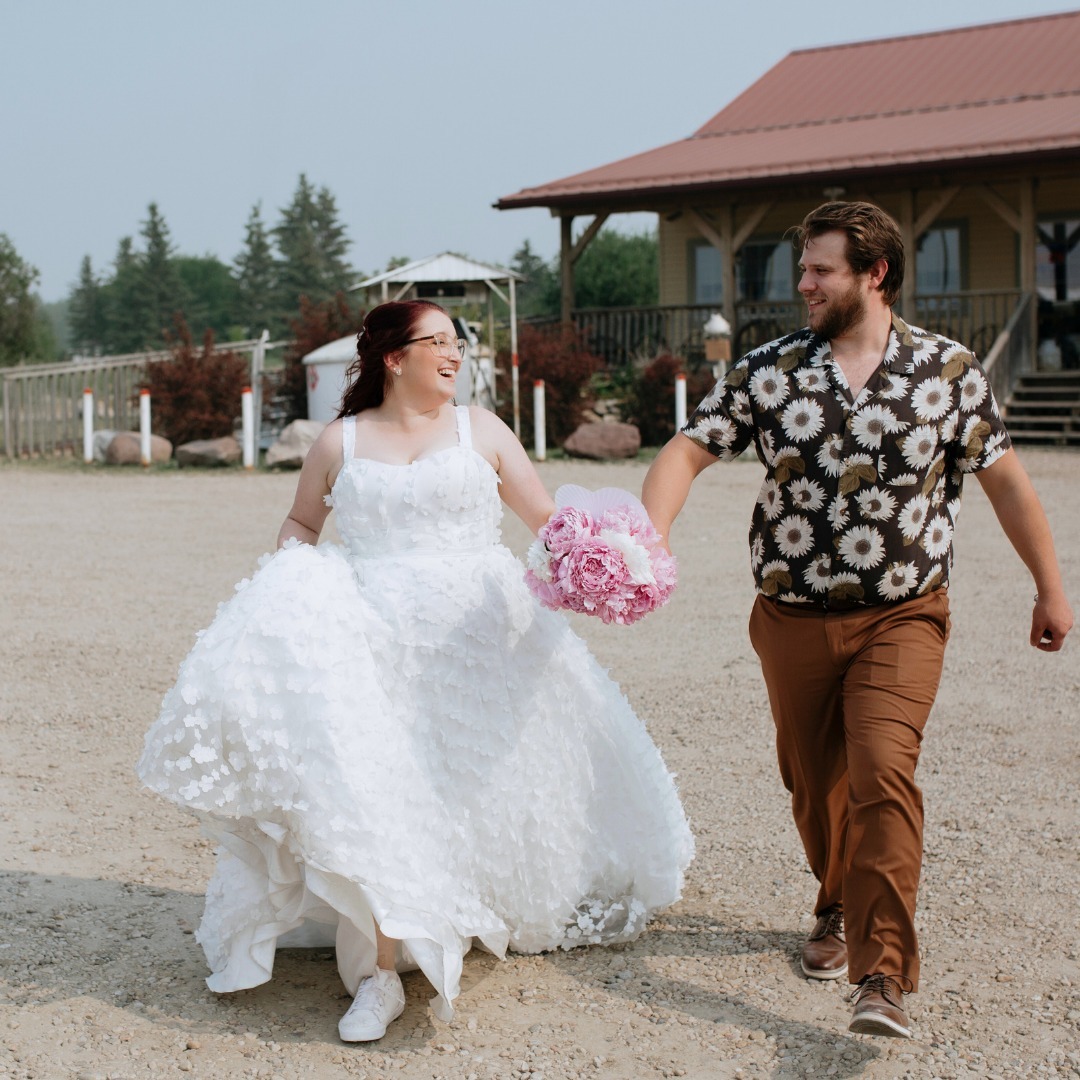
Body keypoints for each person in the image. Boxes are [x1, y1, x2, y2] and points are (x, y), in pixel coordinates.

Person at [139, 300, 693, 1042]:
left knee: (461, 788)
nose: (456, 355)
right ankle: (380, 975)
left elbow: (550, 524)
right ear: (394, 358)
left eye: (458, 343)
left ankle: (455, 909)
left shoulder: (484, 431)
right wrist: (286, 594)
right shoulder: (340, 441)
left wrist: (606, 565)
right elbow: (304, 524)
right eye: (440, 342)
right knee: (381, 793)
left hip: (479, 640)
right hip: (369, 638)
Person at [642, 201, 1073, 1040]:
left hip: (903, 616)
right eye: (802, 270)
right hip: (791, 617)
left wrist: (1049, 587)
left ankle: (882, 975)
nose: (802, 284)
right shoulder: (770, 371)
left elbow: (1009, 482)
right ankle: (834, 899)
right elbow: (687, 450)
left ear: (874, 273)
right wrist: (647, 543)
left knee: (882, 773)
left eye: (820, 271)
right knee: (815, 785)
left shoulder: (949, 371)